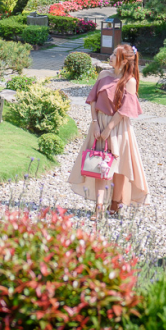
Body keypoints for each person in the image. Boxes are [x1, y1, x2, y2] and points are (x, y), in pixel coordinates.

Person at [68, 43, 150, 219]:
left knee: (118, 166)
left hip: (118, 127)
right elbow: (93, 100)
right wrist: (96, 123)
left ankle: (115, 203)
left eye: (114, 55)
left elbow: (124, 111)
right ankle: (98, 206)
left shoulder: (130, 81)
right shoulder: (104, 74)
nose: (110, 57)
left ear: (122, 60)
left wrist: (109, 129)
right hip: (99, 123)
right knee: (100, 164)